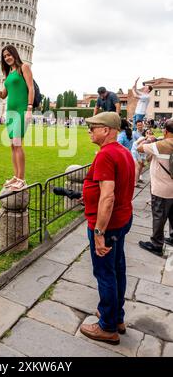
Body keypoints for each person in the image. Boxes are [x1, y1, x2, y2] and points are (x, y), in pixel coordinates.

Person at [79, 112, 135, 345]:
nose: (90, 131)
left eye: (94, 127)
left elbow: (108, 197)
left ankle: (108, 327)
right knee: (117, 268)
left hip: (108, 224)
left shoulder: (106, 155)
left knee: (105, 273)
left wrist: (99, 232)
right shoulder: (123, 152)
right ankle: (116, 316)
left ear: (107, 130)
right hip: (122, 220)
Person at [0, 45, 34, 191]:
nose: (7, 58)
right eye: (4, 56)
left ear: (14, 54)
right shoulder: (9, 74)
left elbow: (31, 88)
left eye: (9, 55)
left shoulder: (24, 67)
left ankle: (22, 179)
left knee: (18, 144)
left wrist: (29, 108)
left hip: (22, 110)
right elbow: (2, 95)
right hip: (10, 112)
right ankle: (16, 176)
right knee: (13, 145)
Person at [137, 119, 173, 256]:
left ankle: (156, 244)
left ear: (165, 131)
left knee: (159, 215)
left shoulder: (160, 145)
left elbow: (139, 148)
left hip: (161, 189)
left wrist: (149, 139)